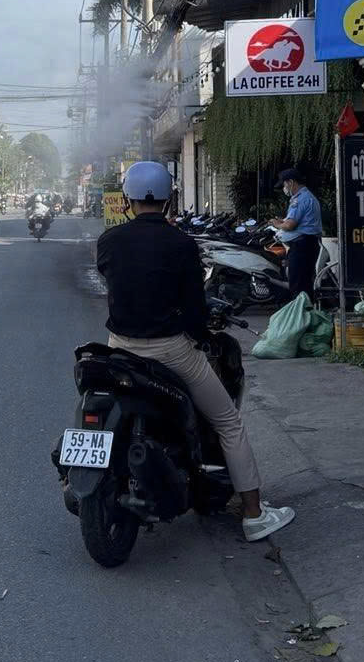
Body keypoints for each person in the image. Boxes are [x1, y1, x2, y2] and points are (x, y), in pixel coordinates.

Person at [96, 161, 294, 542]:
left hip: (119, 348)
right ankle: (254, 515)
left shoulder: (109, 241)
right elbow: (193, 307)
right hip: (170, 350)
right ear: (169, 200)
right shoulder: (182, 244)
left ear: (128, 200)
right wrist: (202, 333)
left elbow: (115, 280)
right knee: (228, 422)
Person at [270, 165, 323, 302]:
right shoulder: (307, 197)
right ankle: (305, 310)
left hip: (302, 246)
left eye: (284, 184)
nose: (284, 188)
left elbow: (289, 225)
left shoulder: (300, 199)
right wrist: (283, 221)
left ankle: (300, 311)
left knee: (298, 284)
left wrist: (276, 224)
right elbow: (296, 221)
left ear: (291, 182)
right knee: (304, 283)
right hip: (307, 244)